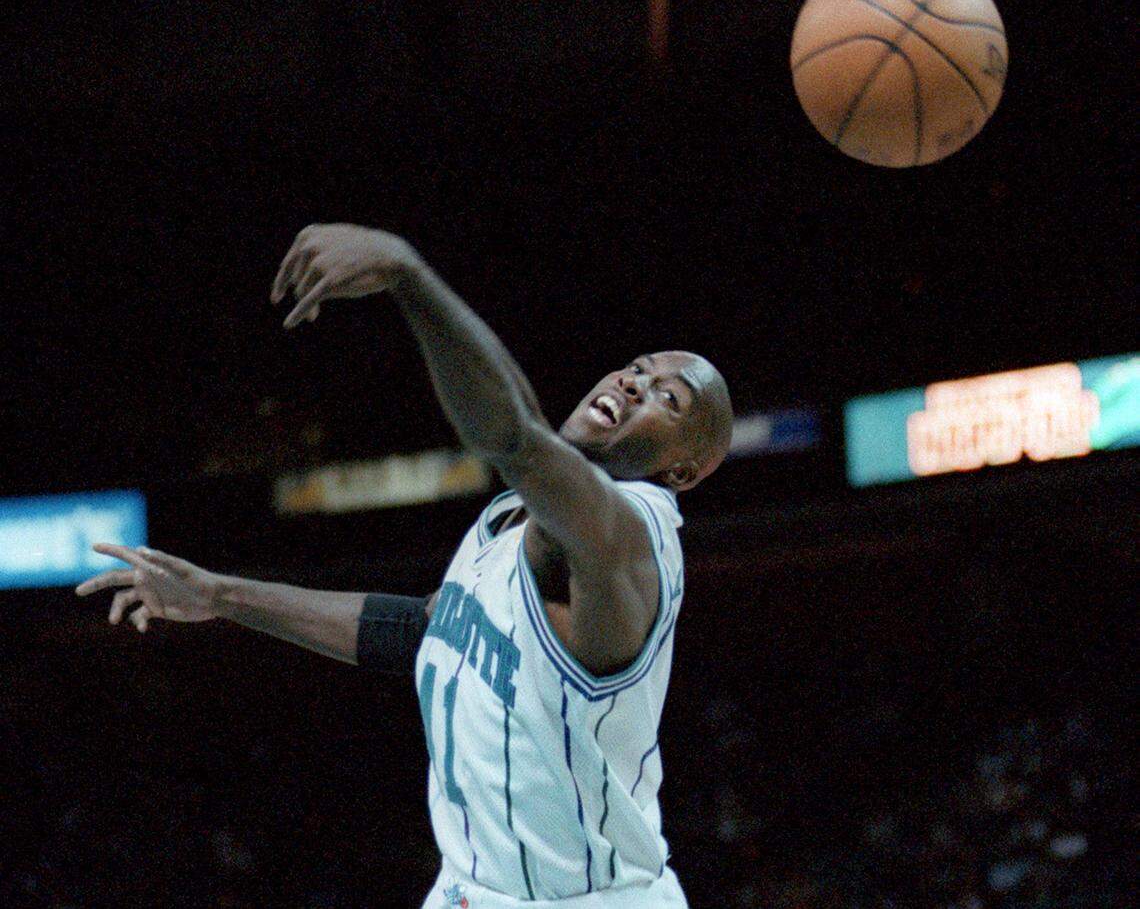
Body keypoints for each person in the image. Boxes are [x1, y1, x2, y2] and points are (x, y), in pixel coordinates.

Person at [79, 224, 733, 908]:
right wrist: (220, 594)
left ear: (682, 469)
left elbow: (511, 433)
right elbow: (425, 630)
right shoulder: (514, 518)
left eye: (668, 398)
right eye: (639, 367)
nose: (634, 384)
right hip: (474, 890)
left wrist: (408, 277)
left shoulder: (631, 535)